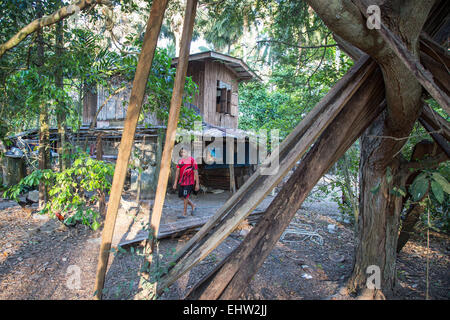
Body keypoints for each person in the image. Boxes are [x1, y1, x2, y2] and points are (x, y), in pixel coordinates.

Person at [173, 147, 199, 218]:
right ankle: (193, 205)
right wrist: (175, 183)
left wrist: (197, 184)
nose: (183, 153)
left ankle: (184, 213)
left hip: (189, 182)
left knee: (185, 197)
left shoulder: (192, 160)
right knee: (181, 197)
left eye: (184, 152)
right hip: (182, 182)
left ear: (188, 152)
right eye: (182, 152)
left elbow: (196, 172)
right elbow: (177, 172)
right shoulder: (180, 161)